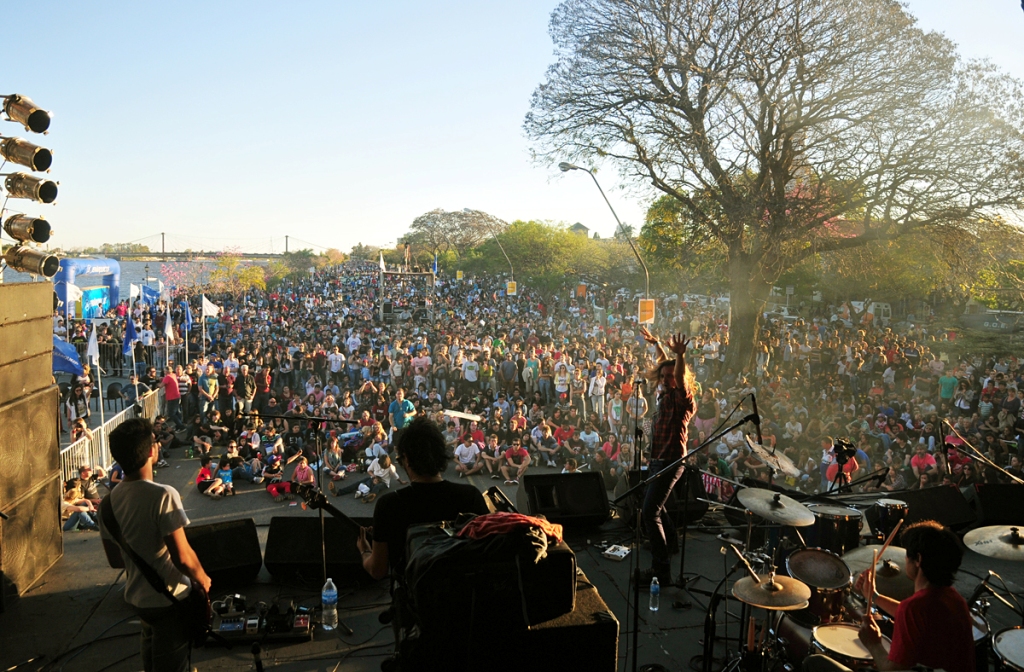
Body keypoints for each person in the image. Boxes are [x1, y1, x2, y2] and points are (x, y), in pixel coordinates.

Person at [99, 418, 211, 672]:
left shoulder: (107, 504)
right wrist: (203, 580)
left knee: (151, 661)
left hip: (139, 601)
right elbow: (183, 558)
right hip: (171, 600)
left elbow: (115, 560)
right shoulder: (163, 495)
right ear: (152, 451)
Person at [804, 520, 975, 672]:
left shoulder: (915, 607)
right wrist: (875, 596)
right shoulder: (954, 599)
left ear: (918, 560)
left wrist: (873, 644)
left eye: (908, 554)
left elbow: (892, 669)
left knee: (815, 662)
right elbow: (911, 613)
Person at [356, 415, 487, 580]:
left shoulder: (389, 505)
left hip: (412, 600)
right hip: (464, 599)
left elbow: (377, 570)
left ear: (407, 460)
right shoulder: (471, 496)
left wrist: (365, 550)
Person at [640, 332, 695, 587]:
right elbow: (666, 366)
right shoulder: (663, 394)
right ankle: (670, 544)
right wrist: (658, 346)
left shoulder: (683, 399)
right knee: (658, 508)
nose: (665, 379)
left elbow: (679, 377)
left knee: (649, 512)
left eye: (669, 377)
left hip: (671, 461)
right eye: (663, 377)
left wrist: (680, 355)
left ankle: (661, 570)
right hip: (658, 459)